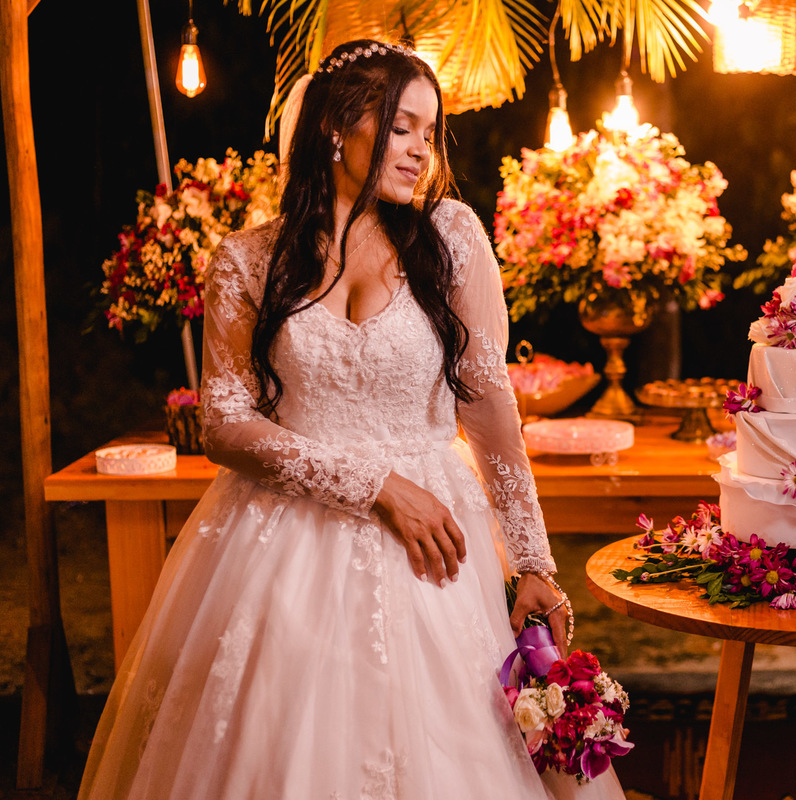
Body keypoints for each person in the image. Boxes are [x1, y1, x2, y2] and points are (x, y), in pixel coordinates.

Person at [79, 39, 624, 799]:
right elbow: (225, 422)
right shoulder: (246, 260)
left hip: (437, 548)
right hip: (285, 543)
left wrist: (533, 561)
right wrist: (376, 485)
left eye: (430, 132)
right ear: (338, 127)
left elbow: (488, 402)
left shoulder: (452, 237)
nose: (421, 151)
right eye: (402, 128)